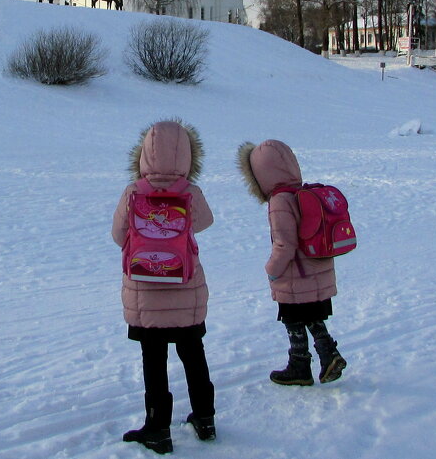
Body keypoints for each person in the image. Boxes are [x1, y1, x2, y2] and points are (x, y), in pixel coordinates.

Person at [113, 120, 216, 454]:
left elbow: (118, 236)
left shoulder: (133, 192)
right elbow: (204, 222)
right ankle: (205, 417)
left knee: (153, 360)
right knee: (193, 354)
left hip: (145, 289)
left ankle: (158, 427)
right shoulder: (190, 192)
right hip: (185, 285)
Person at [237, 139, 347, 385]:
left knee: (293, 318)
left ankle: (300, 364)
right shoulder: (304, 193)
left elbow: (284, 243)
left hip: (295, 273)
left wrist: (272, 270)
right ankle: (328, 352)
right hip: (317, 268)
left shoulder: (280, 201)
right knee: (311, 316)